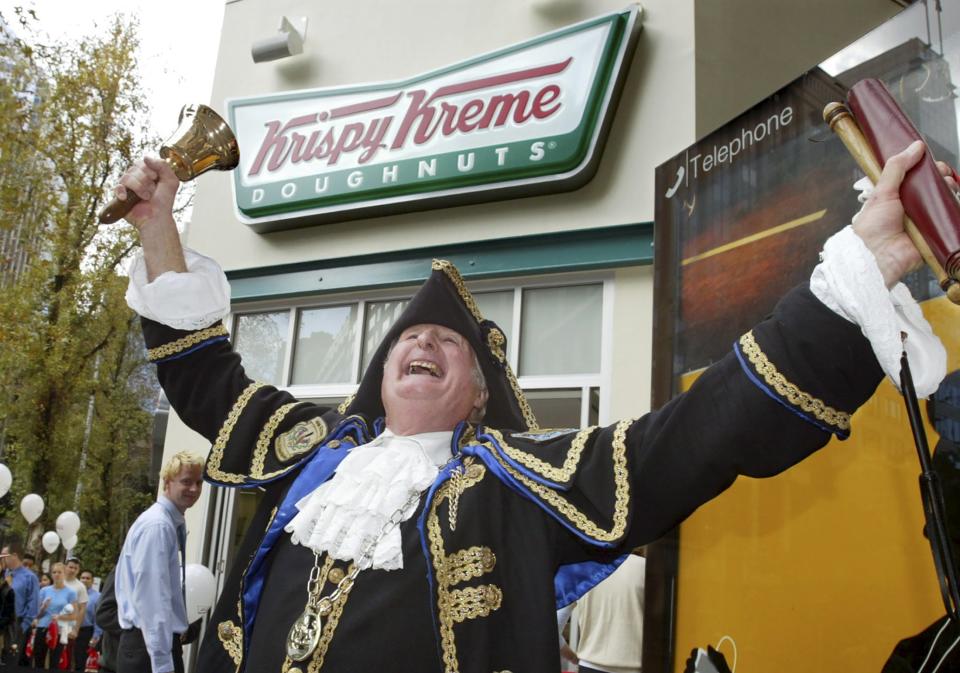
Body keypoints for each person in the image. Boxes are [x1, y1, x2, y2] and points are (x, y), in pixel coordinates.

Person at [116, 139, 951, 673]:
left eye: (453, 346)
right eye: (414, 337)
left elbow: (698, 435)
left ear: (478, 396)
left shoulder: (515, 484)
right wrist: (160, 226)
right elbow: (205, 377)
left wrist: (852, 280)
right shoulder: (311, 448)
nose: (428, 342)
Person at [114, 451, 203, 673]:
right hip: (148, 650)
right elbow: (153, 599)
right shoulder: (159, 526)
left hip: (149, 647)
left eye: (198, 482)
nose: (194, 489)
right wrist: (162, 662)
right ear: (167, 482)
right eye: (186, 481)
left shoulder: (166, 523)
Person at [558, 552, 646, 673]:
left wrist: (573, 657)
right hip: (637, 666)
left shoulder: (584, 571)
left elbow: (553, 628)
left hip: (590, 666)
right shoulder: (647, 568)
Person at [33, 562, 77, 670]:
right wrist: (43, 607)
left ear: (65, 574)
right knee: (38, 660)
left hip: (59, 630)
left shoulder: (71, 593)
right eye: (54, 572)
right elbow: (37, 615)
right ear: (51, 574)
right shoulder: (44, 590)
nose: (57, 574)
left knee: (55, 662)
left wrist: (60, 617)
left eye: (59, 572)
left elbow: (74, 616)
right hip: (42, 628)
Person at [2, 540, 40, 667]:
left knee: (10, 660)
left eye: (4, 555)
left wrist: (22, 628)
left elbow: (33, 605)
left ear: (14, 555)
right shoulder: (6, 574)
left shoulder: (30, 577)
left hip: (16, 624)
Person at [63, 558, 88, 667]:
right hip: (51, 623)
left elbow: (82, 609)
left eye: (75, 568)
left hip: (68, 627)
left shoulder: (80, 586)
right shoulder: (57, 579)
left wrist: (75, 629)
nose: (72, 570)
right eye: (70, 567)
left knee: (65, 658)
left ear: (78, 570)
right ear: (65, 567)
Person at [75, 568, 100, 671]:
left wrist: (96, 636)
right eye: (82, 578)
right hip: (69, 631)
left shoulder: (97, 597)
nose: (84, 580)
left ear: (93, 581)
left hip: (85, 633)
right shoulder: (73, 593)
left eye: (88, 578)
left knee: (81, 663)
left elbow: (97, 619)